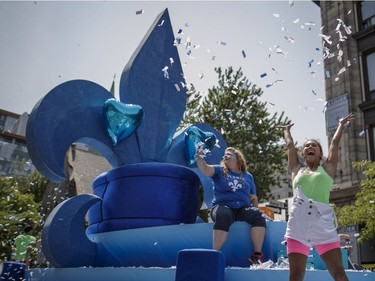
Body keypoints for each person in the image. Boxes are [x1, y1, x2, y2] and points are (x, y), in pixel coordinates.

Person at [278, 113, 354, 281]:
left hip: (323, 225)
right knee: (296, 276)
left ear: (320, 153)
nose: (310, 147)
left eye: (314, 145)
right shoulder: (296, 170)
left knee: (339, 274)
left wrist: (341, 124)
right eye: (306, 146)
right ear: (303, 154)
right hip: (298, 224)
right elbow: (290, 145)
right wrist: (286, 131)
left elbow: (334, 143)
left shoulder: (327, 169)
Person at [196, 146, 266, 265]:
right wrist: (200, 158)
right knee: (224, 214)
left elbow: (253, 197)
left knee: (258, 215)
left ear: (238, 159)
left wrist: (255, 207)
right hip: (221, 206)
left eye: (229, 154)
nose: (225, 156)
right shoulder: (219, 170)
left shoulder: (248, 176)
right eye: (224, 155)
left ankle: (257, 255)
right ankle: (215, 254)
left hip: (242, 209)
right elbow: (205, 169)